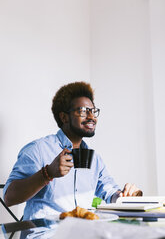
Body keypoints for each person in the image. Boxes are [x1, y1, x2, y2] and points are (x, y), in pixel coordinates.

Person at [4, 81, 142, 220]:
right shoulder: (38, 150)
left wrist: (125, 195)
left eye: (93, 111)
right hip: (47, 233)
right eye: (83, 111)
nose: (91, 117)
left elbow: (110, 192)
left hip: (83, 231)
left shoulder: (95, 159)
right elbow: (9, 198)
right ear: (64, 117)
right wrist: (47, 173)